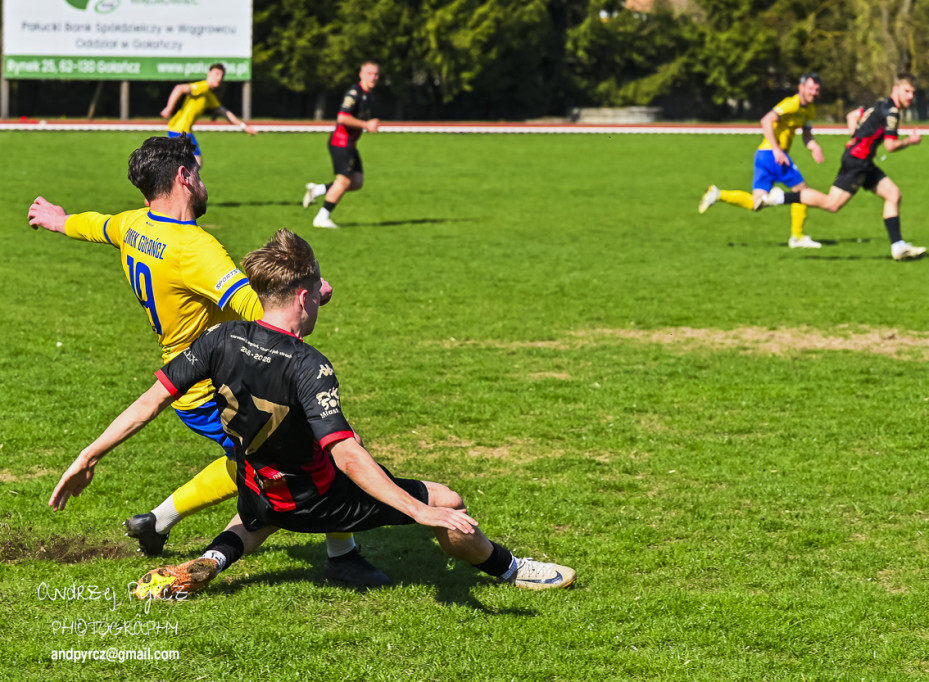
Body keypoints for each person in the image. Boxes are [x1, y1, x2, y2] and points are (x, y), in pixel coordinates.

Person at [49, 229, 577, 597]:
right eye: (317, 290)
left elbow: (150, 402)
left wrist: (88, 456)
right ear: (303, 298)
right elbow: (346, 455)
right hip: (322, 501)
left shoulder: (220, 338)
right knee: (447, 500)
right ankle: (512, 568)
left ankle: (211, 560)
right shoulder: (309, 366)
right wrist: (420, 512)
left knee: (258, 514)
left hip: (261, 487)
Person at [28, 135, 385, 588]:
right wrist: (309, 292)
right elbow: (261, 313)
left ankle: (157, 522)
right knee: (314, 452)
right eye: (198, 172)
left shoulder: (134, 225)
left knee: (262, 459)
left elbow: (99, 225)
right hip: (221, 386)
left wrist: (60, 221)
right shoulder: (194, 249)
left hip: (186, 381)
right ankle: (341, 556)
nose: (203, 181)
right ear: (183, 176)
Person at [760, 73, 927, 262]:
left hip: (861, 160)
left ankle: (898, 247)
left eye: (913, 93)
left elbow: (852, 115)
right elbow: (890, 146)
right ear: (896, 89)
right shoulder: (892, 112)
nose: (910, 96)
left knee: (893, 194)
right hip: (858, 162)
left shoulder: (880, 103)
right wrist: (911, 141)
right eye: (907, 91)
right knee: (832, 204)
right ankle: (778, 197)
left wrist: (857, 137)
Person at [698, 73, 826, 249]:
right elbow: (766, 120)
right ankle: (797, 237)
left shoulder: (809, 110)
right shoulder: (791, 103)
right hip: (774, 156)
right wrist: (776, 149)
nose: (814, 92)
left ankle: (717, 194)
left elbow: (806, 135)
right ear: (801, 87)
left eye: (817, 89)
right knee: (803, 192)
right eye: (811, 88)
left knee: (756, 203)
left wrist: (814, 147)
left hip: (762, 155)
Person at [303, 61, 381, 229]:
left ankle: (318, 190)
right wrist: (366, 125)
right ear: (361, 74)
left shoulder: (369, 95)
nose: (373, 77)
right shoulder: (354, 93)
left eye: (376, 74)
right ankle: (322, 217)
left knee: (357, 181)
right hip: (340, 142)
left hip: (350, 143)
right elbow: (342, 118)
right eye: (369, 73)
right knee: (344, 181)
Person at [160, 63, 257, 167]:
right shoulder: (203, 86)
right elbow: (179, 88)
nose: (219, 78)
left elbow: (225, 113)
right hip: (178, 130)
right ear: (209, 73)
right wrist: (169, 108)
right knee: (193, 164)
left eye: (222, 75)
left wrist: (243, 126)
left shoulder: (209, 95)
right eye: (217, 74)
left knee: (193, 164)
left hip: (184, 132)